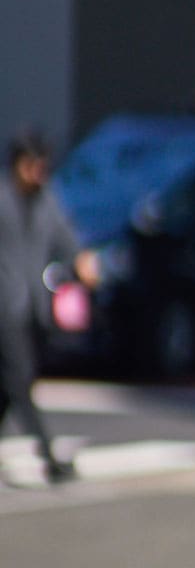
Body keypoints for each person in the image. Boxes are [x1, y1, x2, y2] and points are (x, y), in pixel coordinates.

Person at [0, 130, 99, 483]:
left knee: (9, 386)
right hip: (4, 308)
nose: (38, 172)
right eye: (32, 164)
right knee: (20, 378)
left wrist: (80, 260)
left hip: (32, 308)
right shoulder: (3, 199)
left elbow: (64, 238)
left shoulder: (45, 201)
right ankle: (49, 457)